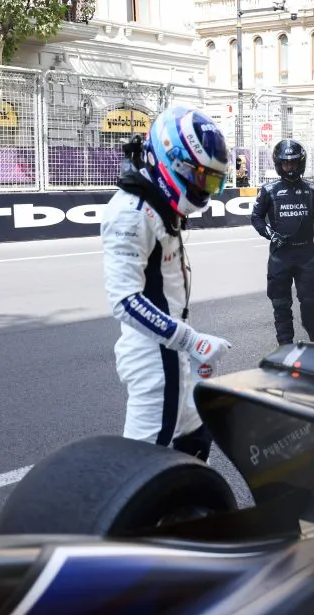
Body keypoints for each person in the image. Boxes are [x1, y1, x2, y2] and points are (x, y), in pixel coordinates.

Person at [100, 105, 233, 460]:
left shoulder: (157, 203)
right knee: (142, 471)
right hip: (152, 357)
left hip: (170, 348)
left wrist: (189, 346)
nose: (206, 189)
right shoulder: (131, 213)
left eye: (214, 182)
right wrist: (191, 340)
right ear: (174, 163)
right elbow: (125, 300)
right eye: (204, 178)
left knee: (195, 437)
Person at [251, 139, 314, 345]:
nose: (289, 166)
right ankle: (285, 345)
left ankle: (310, 328)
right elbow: (255, 218)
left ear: (300, 163)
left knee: (310, 301)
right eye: (285, 163)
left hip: (306, 256)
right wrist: (269, 233)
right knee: (280, 303)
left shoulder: (312, 189)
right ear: (279, 164)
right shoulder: (269, 190)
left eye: (293, 163)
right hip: (280, 256)